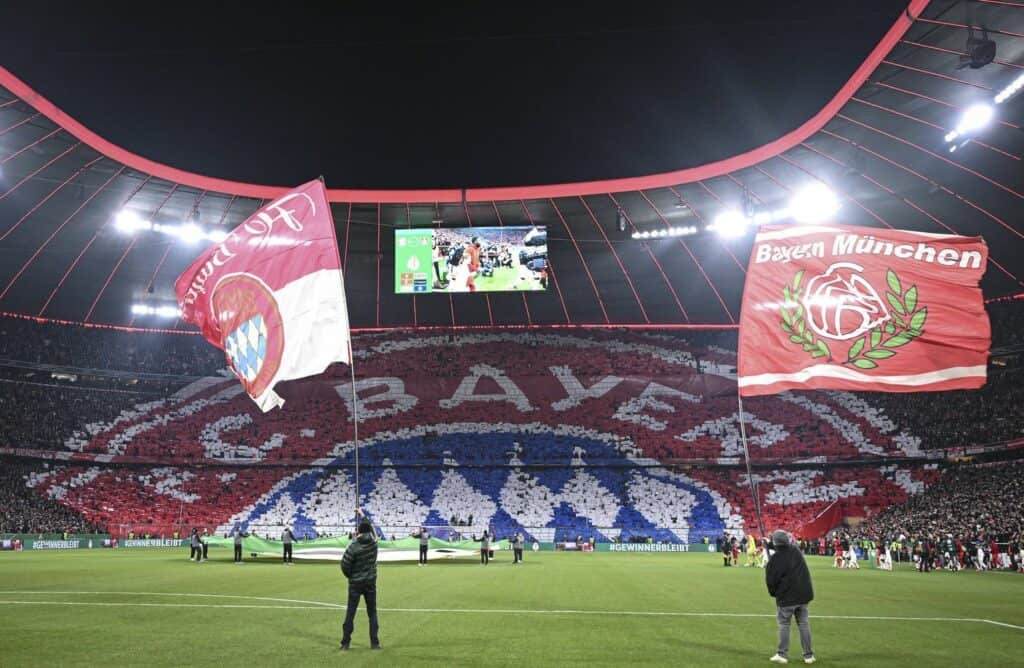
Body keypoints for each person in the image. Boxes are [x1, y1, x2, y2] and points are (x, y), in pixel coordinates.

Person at [766, 530, 815, 665]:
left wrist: (775, 593)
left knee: (784, 624)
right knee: (803, 624)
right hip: (803, 595)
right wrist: (769, 544)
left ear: (776, 544)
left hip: (787, 598)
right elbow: (783, 548)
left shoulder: (775, 560)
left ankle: (782, 654)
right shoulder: (796, 551)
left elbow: (771, 582)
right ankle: (808, 655)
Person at [340, 509, 381, 651]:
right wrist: (362, 514)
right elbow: (369, 525)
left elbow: (344, 565)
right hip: (370, 583)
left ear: (358, 532)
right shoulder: (374, 543)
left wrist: (351, 576)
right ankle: (374, 643)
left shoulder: (353, 547)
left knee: (350, 613)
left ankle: (345, 643)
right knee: (372, 613)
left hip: (355, 584)